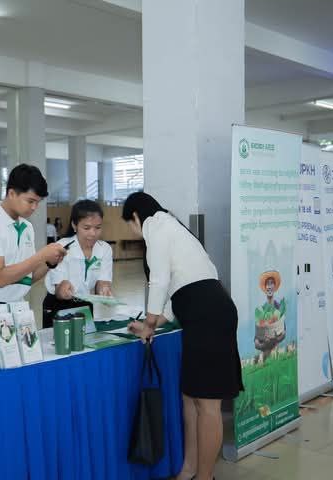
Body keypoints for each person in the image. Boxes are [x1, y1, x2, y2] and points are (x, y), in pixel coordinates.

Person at [123, 192, 242, 480]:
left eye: (130, 224)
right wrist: (152, 323)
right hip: (205, 313)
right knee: (190, 397)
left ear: (135, 216)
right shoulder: (171, 227)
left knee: (208, 403)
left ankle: (205, 476)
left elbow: (159, 280)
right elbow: (178, 291)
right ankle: (189, 469)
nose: (133, 231)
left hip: (209, 316)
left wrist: (149, 323)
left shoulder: (156, 226)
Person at [0, 164, 67, 354]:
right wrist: (40, 256)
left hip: (18, 309)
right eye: (30, 201)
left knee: (24, 363)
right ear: (12, 193)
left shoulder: (27, 227)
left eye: (38, 202)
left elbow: (27, 277)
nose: (34, 207)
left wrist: (49, 263)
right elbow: (1, 278)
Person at [42, 200, 114, 327]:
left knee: (86, 338)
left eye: (98, 227)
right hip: (58, 305)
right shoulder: (62, 247)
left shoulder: (105, 249)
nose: (93, 233)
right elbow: (59, 291)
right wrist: (63, 288)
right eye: (86, 228)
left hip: (85, 304)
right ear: (74, 225)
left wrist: (104, 290)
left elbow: (102, 281)